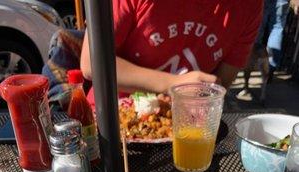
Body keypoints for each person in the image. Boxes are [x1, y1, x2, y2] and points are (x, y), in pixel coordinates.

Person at [80, 0, 263, 110]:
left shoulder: (250, 6)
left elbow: (221, 82)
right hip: (114, 120)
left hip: (188, 125)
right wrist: (173, 84)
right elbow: (91, 64)